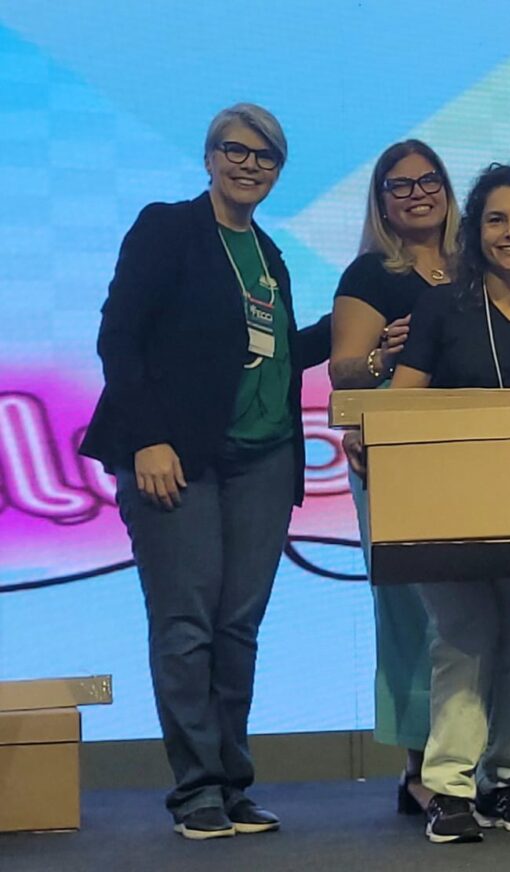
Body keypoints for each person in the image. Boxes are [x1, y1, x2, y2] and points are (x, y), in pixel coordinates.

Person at [80, 104, 302, 840]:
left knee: (238, 628)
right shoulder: (167, 228)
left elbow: (275, 350)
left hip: (263, 459)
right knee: (185, 627)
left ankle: (234, 783)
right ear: (208, 156)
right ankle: (196, 789)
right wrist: (148, 439)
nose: (249, 164)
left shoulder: (268, 254)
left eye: (265, 157)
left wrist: (368, 339)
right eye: (235, 150)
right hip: (176, 459)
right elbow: (120, 336)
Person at [347, 163, 510, 843]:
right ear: (476, 231)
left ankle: (506, 782)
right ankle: (450, 788)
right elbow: (404, 399)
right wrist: (368, 435)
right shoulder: (444, 307)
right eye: (497, 219)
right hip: (442, 507)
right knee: (466, 636)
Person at [329, 139, 460, 818]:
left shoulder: (481, 263)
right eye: (398, 186)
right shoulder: (371, 274)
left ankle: (470, 758)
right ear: (381, 201)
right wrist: (385, 354)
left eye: (426, 180)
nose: (415, 194)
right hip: (393, 456)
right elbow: (341, 371)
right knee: (413, 612)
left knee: (478, 613)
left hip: (476, 456)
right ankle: (420, 765)